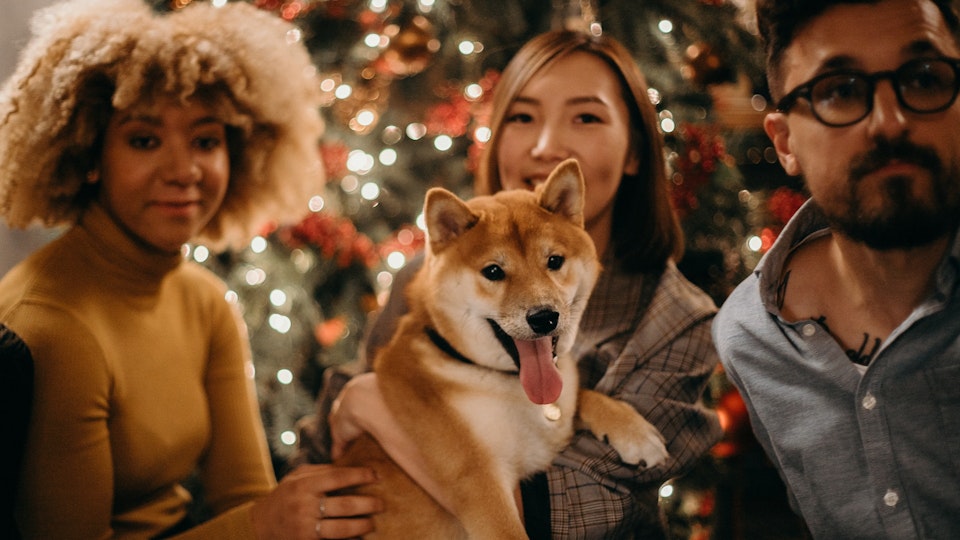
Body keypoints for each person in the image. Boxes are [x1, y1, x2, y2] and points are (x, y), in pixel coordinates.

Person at [297, 29, 723, 539]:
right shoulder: (429, 280)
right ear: (496, 138)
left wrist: (378, 407)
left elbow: (581, 508)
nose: (546, 147)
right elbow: (326, 445)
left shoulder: (677, 320)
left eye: (586, 117)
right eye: (522, 117)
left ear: (635, 150)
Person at [0, 0, 383, 538]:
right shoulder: (56, 327)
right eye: (144, 140)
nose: (184, 171)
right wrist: (265, 522)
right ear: (89, 154)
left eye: (206, 141)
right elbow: (256, 520)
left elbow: (245, 498)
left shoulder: (204, 299)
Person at [712, 0, 960, 537]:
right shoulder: (752, 338)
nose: (890, 122)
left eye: (923, 78)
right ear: (784, 142)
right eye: (840, 91)